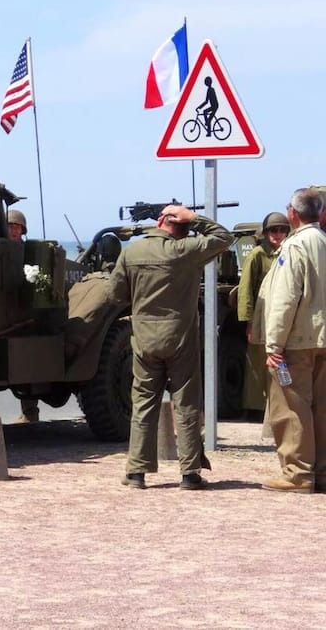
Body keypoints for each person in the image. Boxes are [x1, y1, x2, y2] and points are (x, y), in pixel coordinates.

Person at [108, 204, 233, 490]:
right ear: (183, 228)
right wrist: (194, 218)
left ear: (160, 222)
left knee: (143, 404)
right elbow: (224, 238)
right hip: (181, 339)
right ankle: (190, 474)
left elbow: (115, 294)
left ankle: (136, 471)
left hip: (145, 338)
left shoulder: (132, 252)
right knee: (186, 404)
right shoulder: (186, 250)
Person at [256, 188, 326, 493]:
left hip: (297, 341)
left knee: (292, 408)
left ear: (293, 213)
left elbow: (285, 300)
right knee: (321, 409)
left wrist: (274, 345)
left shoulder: (295, 246)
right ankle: (320, 471)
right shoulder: (323, 240)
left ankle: (297, 474)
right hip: (321, 339)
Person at [237, 212, 291, 423]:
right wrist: (249, 322)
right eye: (273, 230)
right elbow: (245, 290)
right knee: (257, 362)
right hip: (262, 315)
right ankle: (254, 407)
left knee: (279, 361)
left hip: (282, 315)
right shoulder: (258, 255)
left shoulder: (288, 252)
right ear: (266, 233)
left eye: (282, 230)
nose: (278, 234)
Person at [6, 208, 39, 423]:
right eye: (10, 226)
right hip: (2, 309)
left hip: (22, 312)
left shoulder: (28, 251)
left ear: (22, 230)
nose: (13, 230)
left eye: (16, 227)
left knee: (26, 366)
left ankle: (29, 412)